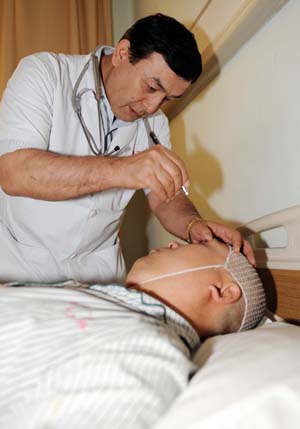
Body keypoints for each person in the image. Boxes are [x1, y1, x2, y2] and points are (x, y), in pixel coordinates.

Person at [0, 13, 255, 285]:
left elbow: (165, 197)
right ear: (123, 52)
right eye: (152, 87)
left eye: (167, 98)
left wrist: (193, 225)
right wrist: (124, 170)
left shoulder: (155, 124)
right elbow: (15, 172)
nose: (152, 107)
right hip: (20, 263)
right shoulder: (45, 73)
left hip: (97, 274)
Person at [0, 238, 266, 428]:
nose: (174, 244)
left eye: (198, 245)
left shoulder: (145, 351)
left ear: (223, 291)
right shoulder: (109, 307)